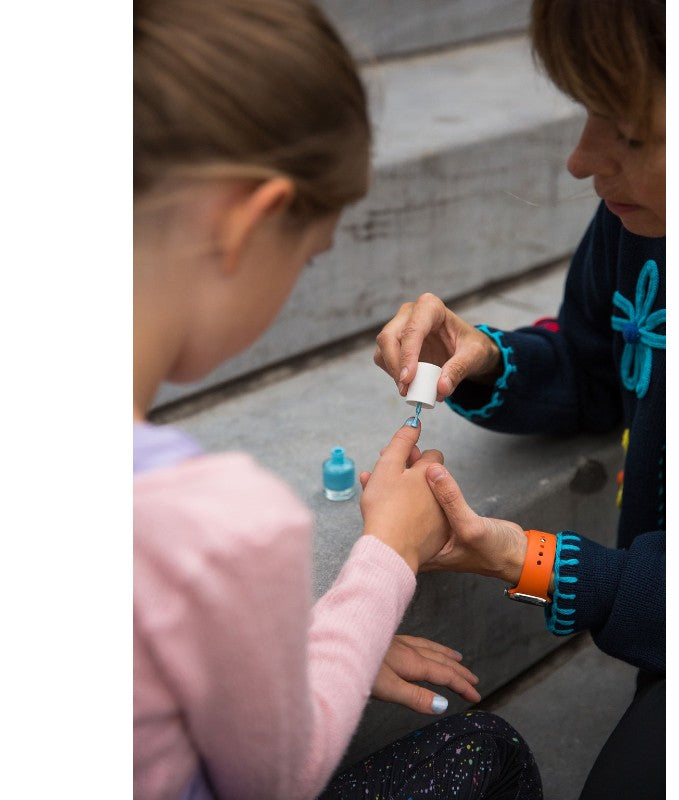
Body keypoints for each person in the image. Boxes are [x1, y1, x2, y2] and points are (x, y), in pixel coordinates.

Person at [133, 1, 542, 799]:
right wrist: (388, 553)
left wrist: (309, 645)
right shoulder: (213, 525)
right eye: (310, 256)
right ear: (248, 226)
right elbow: (278, 774)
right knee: (485, 752)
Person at [372, 0, 666, 797]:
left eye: (632, 134)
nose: (579, 160)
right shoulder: (638, 226)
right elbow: (595, 362)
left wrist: (521, 556)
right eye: (587, 113)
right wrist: (491, 359)